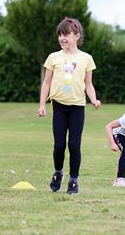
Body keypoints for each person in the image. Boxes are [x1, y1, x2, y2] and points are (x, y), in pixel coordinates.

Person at [38, 17, 101, 194]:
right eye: (60, 34)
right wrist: (42, 104)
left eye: (66, 34)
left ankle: (74, 180)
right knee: (59, 145)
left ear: (77, 35)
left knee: (74, 145)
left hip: (77, 108)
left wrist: (94, 99)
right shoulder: (53, 57)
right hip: (58, 106)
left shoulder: (86, 58)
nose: (62, 38)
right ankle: (58, 172)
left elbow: (88, 84)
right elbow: (46, 82)